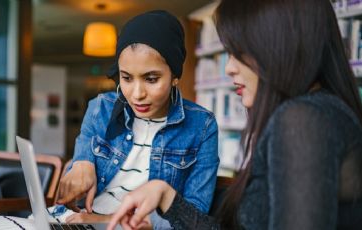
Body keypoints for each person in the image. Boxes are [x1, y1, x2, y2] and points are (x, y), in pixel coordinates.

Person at [107, 0, 362, 229]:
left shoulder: (304, 120)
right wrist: (165, 195)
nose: (228, 68)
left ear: (279, 44)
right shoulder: (319, 113)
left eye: (238, 53)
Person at [55, 10, 220, 228]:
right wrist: (80, 162)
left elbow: (193, 216)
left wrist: (108, 221)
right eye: (126, 78)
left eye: (151, 79)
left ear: (175, 76)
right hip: (80, 220)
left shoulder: (202, 126)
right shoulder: (101, 107)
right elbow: (80, 160)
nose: (136, 93)